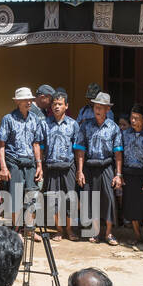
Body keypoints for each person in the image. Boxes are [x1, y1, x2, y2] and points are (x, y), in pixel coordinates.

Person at [74, 91, 125, 246]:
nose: (97, 109)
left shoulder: (113, 127)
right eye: (96, 106)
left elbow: (118, 152)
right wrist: (80, 171)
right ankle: (95, 231)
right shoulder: (86, 125)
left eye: (101, 107)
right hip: (90, 167)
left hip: (107, 166)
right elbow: (80, 150)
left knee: (109, 199)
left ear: (107, 109)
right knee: (92, 200)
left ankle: (109, 232)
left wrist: (118, 174)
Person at [0, 87, 44, 229]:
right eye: (25, 100)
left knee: (32, 196)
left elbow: (36, 143)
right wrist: (3, 167)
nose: (29, 102)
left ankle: (29, 229)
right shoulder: (8, 119)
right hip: (14, 162)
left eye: (30, 99)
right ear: (17, 102)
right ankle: (16, 229)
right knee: (15, 197)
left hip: (30, 163)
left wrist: (39, 164)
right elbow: (1, 145)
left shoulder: (35, 119)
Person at [41, 91, 81, 239]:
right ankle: (59, 230)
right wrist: (40, 165)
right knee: (54, 201)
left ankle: (70, 229)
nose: (56, 107)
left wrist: (79, 170)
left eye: (60, 104)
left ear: (66, 106)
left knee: (70, 200)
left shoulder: (73, 124)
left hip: (68, 167)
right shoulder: (45, 123)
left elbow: (77, 149)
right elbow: (41, 146)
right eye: (54, 104)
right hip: (51, 168)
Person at [122, 104, 143, 247]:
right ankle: (137, 236)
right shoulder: (125, 134)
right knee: (131, 207)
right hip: (129, 173)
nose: (133, 121)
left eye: (137, 118)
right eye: (132, 118)